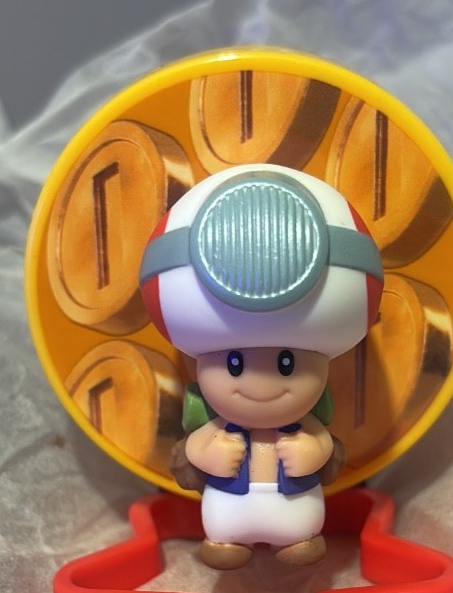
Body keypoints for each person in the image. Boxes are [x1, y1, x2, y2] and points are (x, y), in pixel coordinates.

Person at [139, 165, 382, 567]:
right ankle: (226, 541)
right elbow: (194, 450)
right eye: (234, 363)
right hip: (229, 508)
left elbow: (324, 447)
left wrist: (313, 451)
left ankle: (298, 540)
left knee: (300, 523)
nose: (260, 384)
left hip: (295, 507)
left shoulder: (307, 425)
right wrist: (209, 456)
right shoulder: (216, 427)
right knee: (225, 521)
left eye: (287, 363)